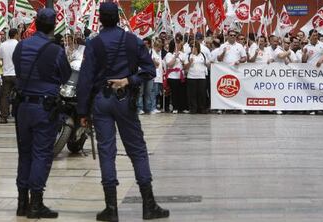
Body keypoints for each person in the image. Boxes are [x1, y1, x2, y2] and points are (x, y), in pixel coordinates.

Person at [76, 3, 169, 221]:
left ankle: (111, 208)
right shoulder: (133, 40)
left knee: (106, 152)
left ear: (99, 19)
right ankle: (148, 205)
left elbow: (85, 79)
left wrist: (82, 111)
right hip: (125, 99)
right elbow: (149, 70)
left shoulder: (93, 43)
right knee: (137, 150)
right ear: (118, 18)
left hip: (101, 100)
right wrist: (128, 80)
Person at [12, 8, 71, 219]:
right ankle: (36, 204)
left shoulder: (21, 46)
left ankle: (22, 203)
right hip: (44, 109)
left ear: (35, 23)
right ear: (53, 26)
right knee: (41, 155)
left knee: (24, 154)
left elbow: (18, 71)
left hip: (22, 108)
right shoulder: (55, 50)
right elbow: (65, 75)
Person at [0, 28, 19, 124]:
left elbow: (1, 58)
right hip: (16, 74)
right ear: (15, 35)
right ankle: (18, 116)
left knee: (5, 96)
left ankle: (3, 117)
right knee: (19, 95)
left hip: (6, 73)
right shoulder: (19, 44)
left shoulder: (3, 45)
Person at [184, 41, 209, 114]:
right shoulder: (189, 56)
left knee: (202, 93)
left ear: (197, 47)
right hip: (191, 77)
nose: (192, 48)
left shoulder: (203, 55)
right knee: (192, 94)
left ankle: (202, 108)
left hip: (201, 77)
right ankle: (193, 109)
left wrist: (206, 63)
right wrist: (190, 62)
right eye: (191, 46)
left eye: (193, 46)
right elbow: (185, 67)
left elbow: (208, 64)